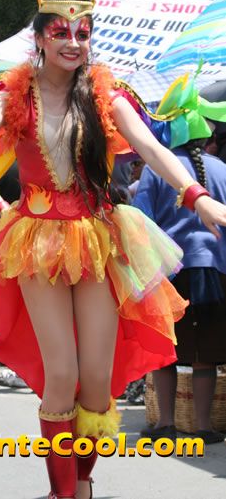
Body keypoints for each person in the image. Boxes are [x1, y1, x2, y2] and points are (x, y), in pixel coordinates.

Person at [0, 0, 226, 499]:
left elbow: (152, 149)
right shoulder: (13, 96)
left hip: (97, 238)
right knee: (62, 372)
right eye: (61, 32)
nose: (73, 42)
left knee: (96, 378)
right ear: (40, 38)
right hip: (38, 241)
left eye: (82, 33)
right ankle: (64, 492)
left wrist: (198, 196)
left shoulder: (105, 95)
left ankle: (83, 480)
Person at [134, 133, 226, 444]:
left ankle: (166, 423)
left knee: (166, 349)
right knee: (205, 354)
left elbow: (140, 218)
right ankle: (204, 427)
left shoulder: (155, 169)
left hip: (168, 270)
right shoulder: (221, 168)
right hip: (215, 269)